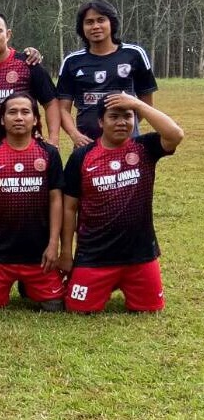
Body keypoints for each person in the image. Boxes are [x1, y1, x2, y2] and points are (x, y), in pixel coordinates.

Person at [61, 93, 183, 313]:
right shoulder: (82, 156)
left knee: (150, 309)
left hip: (139, 255)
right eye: (113, 116)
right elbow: (69, 208)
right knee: (78, 309)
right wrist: (67, 253)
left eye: (127, 117)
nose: (121, 122)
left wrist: (136, 104)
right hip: (94, 255)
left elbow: (175, 135)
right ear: (100, 122)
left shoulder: (144, 148)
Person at [0, 92, 65, 311]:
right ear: (3, 120)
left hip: (38, 255)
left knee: (54, 306)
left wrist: (53, 244)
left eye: (25, 112)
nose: (19, 117)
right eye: (12, 112)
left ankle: (29, 285)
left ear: (36, 119)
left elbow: (56, 200)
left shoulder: (49, 153)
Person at [57, 0, 157, 146]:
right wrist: (75, 135)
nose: (95, 26)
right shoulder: (72, 62)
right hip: (86, 144)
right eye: (89, 22)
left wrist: (124, 128)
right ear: (82, 27)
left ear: (111, 22)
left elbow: (146, 103)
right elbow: (62, 109)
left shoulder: (134, 54)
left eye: (101, 20)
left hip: (126, 143)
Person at [0, 12, 59, 151]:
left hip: (25, 148)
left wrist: (54, 139)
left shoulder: (28, 64)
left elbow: (51, 102)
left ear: (8, 34)